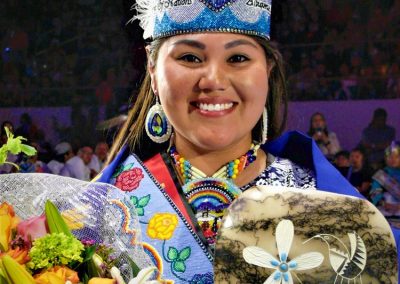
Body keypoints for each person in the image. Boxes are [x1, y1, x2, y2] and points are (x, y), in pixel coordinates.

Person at [96, 0, 400, 282]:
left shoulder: (318, 197)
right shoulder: (100, 211)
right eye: (190, 57)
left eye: (238, 58)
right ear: (152, 67)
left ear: (267, 70)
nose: (213, 80)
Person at [370, 142, 400, 224]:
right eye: (389, 157)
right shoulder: (381, 175)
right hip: (386, 217)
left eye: (396, 157)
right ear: (385, 159)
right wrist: (385, 204)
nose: (393, 159)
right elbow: (374, 194)